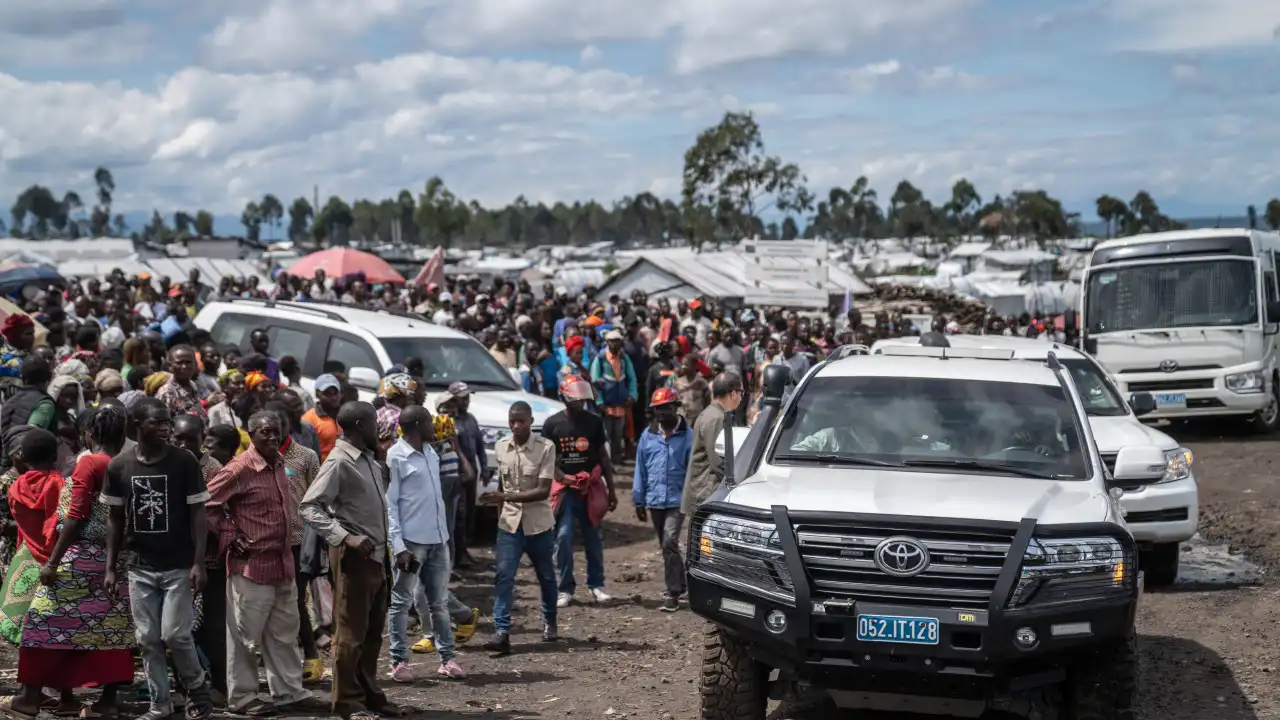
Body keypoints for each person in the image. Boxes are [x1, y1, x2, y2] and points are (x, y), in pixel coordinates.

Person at [4, 409, 135, 718]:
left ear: (91, 434)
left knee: (42, 621)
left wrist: (52, 562)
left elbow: (74, 516)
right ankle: (104, 701)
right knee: (112, 628)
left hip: (81, 557)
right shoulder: (130, 463)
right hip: (117, 559)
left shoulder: (90, 462)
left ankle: (29, 697)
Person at [101, 399, 214, 720]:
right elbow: (115, 519)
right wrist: (110, 566)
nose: (165, 428)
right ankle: (159, 704)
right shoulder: (120, 466)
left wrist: (198, 561)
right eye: (157, 423)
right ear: (137, 424)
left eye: (167, 422)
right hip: (140, 566)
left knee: (175, 635)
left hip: (178, 564)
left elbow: (198, 513)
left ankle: (196, 688)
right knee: (147, 639)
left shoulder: (184, 462)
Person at [206, 411, 316, 716]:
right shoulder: (240, 468)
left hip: (281, 563)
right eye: (265, 432)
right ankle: (242, 698)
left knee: (284, 632)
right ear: (251, 434)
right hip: (250, 566)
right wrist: (230, 534)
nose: (272, 437)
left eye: (276, 432)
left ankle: (289, 692)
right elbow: (206, 505)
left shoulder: (279, 463)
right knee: (244, 637)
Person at [299, 402, 401, 720]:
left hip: (376, 556)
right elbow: (310, 507)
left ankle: (368, 694)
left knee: (371, 632)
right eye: (373, 422)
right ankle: (346, 703)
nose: (378, 429)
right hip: (354, 557)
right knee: (350, 633)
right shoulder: (340, 461)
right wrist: (346, 537)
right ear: (359, 425)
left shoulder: (368, 459)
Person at [385, 406, 466, 681]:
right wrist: (398, 545)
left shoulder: (431, 452)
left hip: (437, 540)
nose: (435, 426)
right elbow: (390, 505)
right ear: (418, 424)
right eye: (430, 422)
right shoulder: (396, 456)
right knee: (400, 601)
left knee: (439, 602)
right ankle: (399, 662)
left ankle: (448, 659)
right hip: (411, 543)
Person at [482, 401, 558, 656]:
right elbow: (502, 485)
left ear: (530, 420)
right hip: (509, 524)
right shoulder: (502, 447)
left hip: (538, 525)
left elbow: (543, 490)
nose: (516, 425)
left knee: (546, 576)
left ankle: (550, 622)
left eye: (521, 421)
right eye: (512, 421)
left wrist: (504, 498)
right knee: (504, 577)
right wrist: (499, 510)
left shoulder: (546, 447)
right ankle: (501, 632)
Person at [263, 399, 325, 683]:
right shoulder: (256, 456)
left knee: (297, 599)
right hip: (266, 540)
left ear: (290, 425)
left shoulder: (305, 456)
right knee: (269, 602)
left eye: (280, 427)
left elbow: (318, 497)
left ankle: (311, 654)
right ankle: (277, 658)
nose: (274, 434)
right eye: (268, 429)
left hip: (300, 539)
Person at [543, 375, 616, 608]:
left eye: (581, 399)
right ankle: (565, 588)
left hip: (590, 489)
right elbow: (547, 459)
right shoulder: (552, 424)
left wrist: (611, 490)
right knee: (562, 537)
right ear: (563, 398)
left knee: (594, 539)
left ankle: (596, 585)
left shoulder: (594, 422)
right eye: (574, 399)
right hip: (565, 490)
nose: (579, 403)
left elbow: (603, 457)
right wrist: (561, 477)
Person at [633, 387, 693, 612]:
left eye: (665, 408)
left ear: (675, 408)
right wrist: (638, 500)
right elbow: (641, 469)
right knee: (667, 545)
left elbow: (692, 469)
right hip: (654, 500)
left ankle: (672, 593)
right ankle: (682, 582)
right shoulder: (647, 436)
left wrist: (692, 497)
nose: (660, 413)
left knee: (669, 541)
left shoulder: (688, 435)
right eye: (657, 410)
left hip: (678, 499)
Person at [682, 373, 743, 515]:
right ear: (733, 394)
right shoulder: (717, 418)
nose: (741, 397)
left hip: (704, 490)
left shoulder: (714, 413)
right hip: (706, 492)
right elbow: (718, 461)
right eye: (741, 393)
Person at [441, 382, 484, 568]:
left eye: (468, 398)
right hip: (456, 471)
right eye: (462, 398)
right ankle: (457, 555)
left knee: (469, 513)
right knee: (458, 514)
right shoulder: (447, 421)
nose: (466, 402)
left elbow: (480, 445)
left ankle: (463, 550)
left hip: (471, 471)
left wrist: (485, 467)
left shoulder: (471, 419)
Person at [589, 329, 637, 463]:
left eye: (617, 341)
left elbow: (632, 378)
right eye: (612, 342)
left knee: (618, 432)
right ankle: (606, 462)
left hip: (621, 402)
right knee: (606, 433)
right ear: (607, 342)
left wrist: (632, 395)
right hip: (606, 404)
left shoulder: (624, 358)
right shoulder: (600, 358)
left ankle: (616, 459)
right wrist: (599, 401)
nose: (615, 345)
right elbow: (595, 382)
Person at [155, 345, 207, 419]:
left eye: (188, 362)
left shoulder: (192, 385)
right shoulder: (166, 393)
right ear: (170, 366)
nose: (184, 366)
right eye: (179, 363)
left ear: (195, 364)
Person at [301, 374, 342, 462]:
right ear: (317, 394)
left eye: (336, 393)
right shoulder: (309, 420)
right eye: (328, 393)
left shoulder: (345, 414)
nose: (334, 397)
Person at [0, 313, 36, 402]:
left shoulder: (28, 355)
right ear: (15, 336)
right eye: (28, 334)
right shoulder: (9, 361)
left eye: (32, 333)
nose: (32, 338)